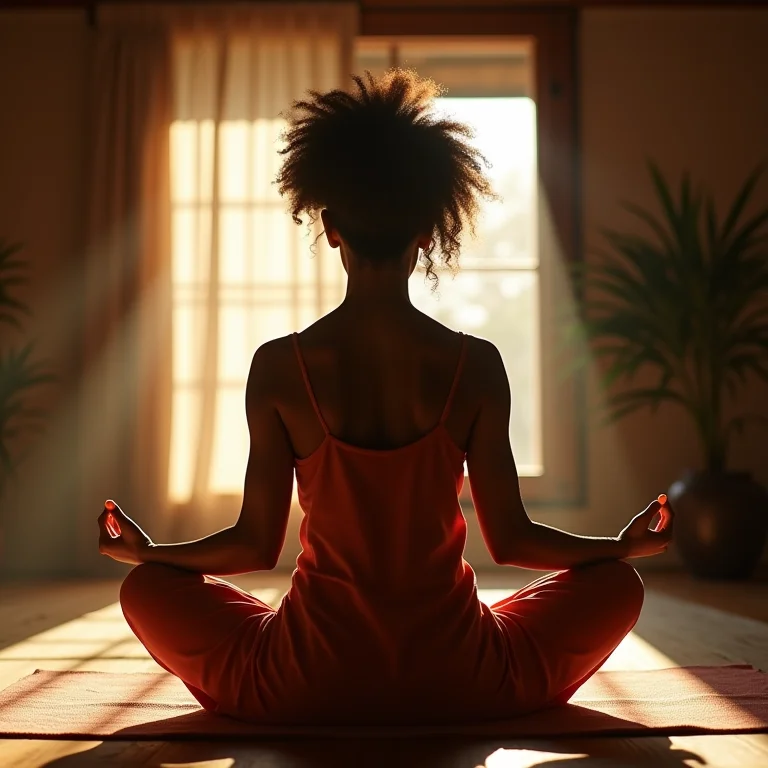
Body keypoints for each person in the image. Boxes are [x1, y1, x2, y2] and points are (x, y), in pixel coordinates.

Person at [97, 70, 673, 726]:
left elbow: (254, 546)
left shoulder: (280, 366)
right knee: (616, 584)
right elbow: (513, 540)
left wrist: (151, 555)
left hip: (305, 680)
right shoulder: (476, 366)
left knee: (147, 589)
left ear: (330, 226)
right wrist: (619, 547)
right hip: (461, 677)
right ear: (428, 229)